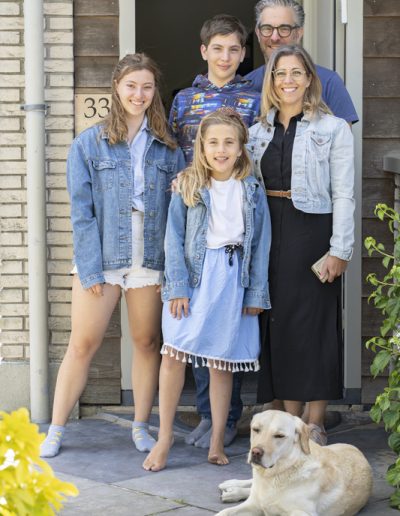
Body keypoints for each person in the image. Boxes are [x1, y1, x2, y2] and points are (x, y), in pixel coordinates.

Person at [40, 53, 185, 458]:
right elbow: (80, 213)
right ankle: (55, 430)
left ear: (155, 92)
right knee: (83, 343)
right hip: (101, 252)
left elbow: (178, 211)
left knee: (145, 340)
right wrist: (90, 270)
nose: (139, 94)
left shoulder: (169, 147)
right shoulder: (88, 144)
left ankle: (141, 426)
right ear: (117, 89)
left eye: (147, 86)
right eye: (131, 86)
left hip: (149, 252)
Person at [142, 108, 271, 471]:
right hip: (195, 279)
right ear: (201, 146)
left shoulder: (251, 189)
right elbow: (173, 238)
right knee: (174, 355)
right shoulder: (189, 185)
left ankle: (217, 439)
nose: (221, 149)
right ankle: (164, 437)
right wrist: (177, 286)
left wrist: (255, 293)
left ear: (241, 147)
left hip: (233, 280)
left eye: (229, 142)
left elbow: (261, 242)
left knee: (221, 363)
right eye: (213, 142)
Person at [248, 44, 355, 445]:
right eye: (280, 74)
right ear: (271, 82)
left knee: (316, 324)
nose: (288, 80)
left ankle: (316, 421)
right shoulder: (258, 132)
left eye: (296, 73)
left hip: (313, 230)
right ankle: (289, 425)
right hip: (271, 230)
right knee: (281, 324)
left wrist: (339, 249)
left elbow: (344, 193)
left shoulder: (333, 128)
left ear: (310, 79)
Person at [169, 14, 261, 449]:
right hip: (195, 218)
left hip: (238, 215)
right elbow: (174, 151)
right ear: (204, 51)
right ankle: (207, 415)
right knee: (199, 325)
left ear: (244, 54)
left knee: (230, 331)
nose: (226, 57)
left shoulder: (256, 97)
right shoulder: (184, 99)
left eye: (234, 49)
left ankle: (226, 419)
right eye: (217, 48)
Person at [245, 0, 358, 124]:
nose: (274, 37)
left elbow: (343, 140)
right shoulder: (246, 85)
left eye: (284, 29)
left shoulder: (329, 82)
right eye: (267, 28)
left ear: (298, 34)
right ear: (258, 33)